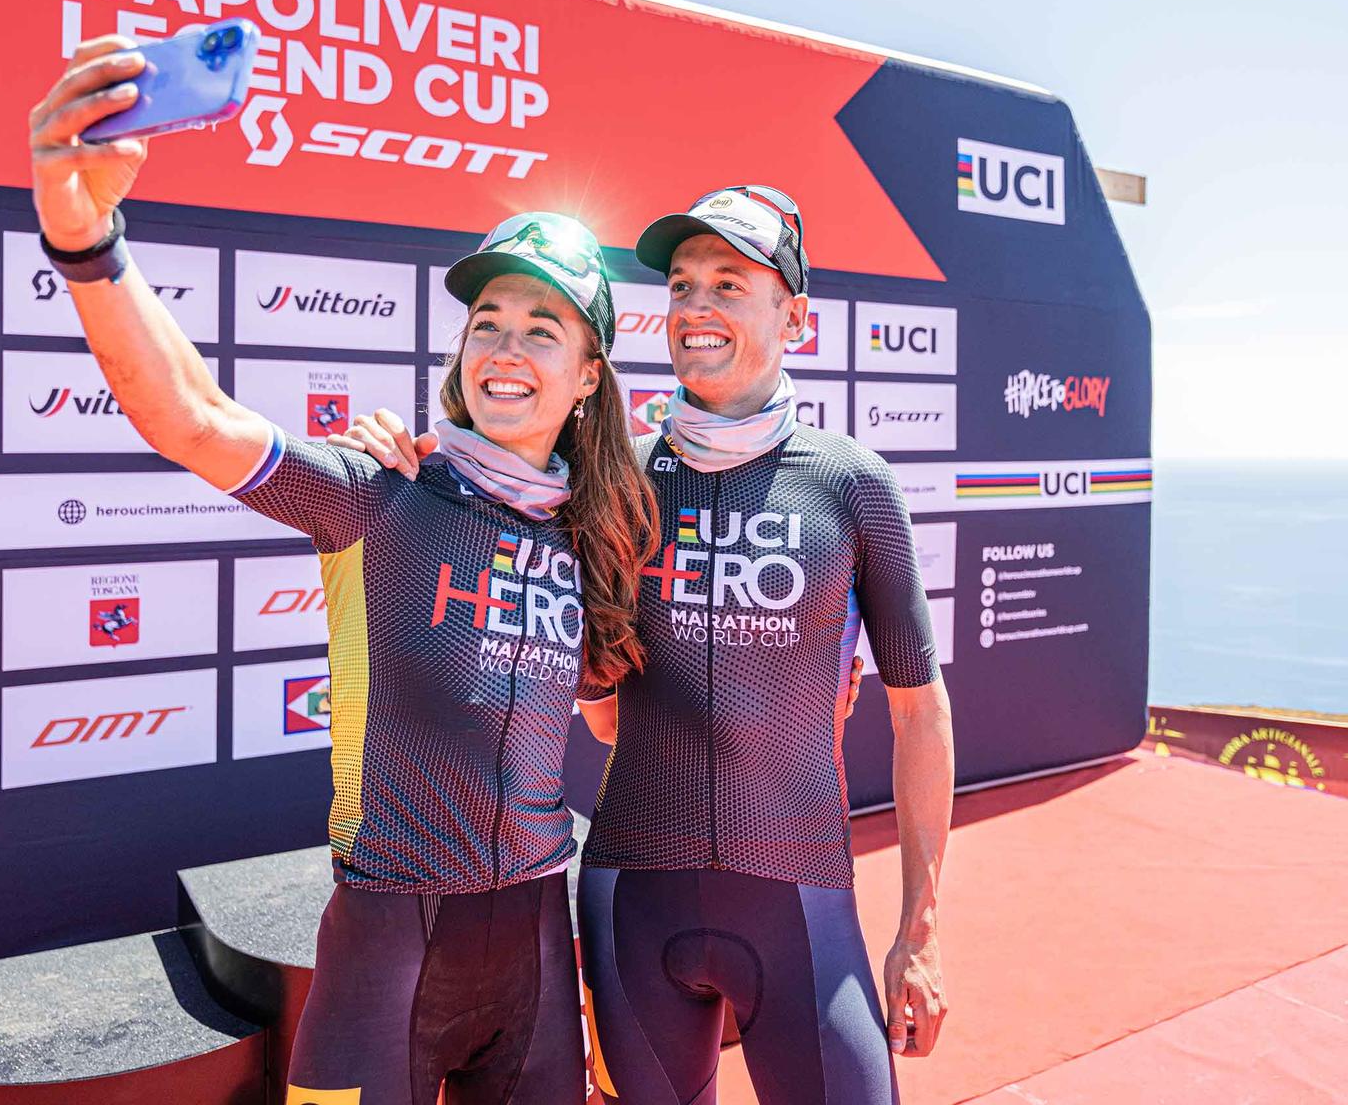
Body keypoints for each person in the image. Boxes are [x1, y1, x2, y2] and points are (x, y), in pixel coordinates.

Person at [26, 34, 658, 1105]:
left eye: (543, 329)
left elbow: (609, 715)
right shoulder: (379, 491)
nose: (505, 348)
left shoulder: (592, 533)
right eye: (488, 324)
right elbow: (191, 418)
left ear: (589, 375)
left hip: (539, 950)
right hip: (384, 949)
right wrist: (89, 241)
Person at [336, 185, 956, 1104]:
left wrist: (921, 929)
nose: (697, 306)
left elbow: (921, 714)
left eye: (729, 284)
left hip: (801, 898)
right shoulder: (611, 478)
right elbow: (590, 692)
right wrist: (391, 452)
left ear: (795, 318)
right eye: (682, 285)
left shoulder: (851, 484)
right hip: (633, 895)